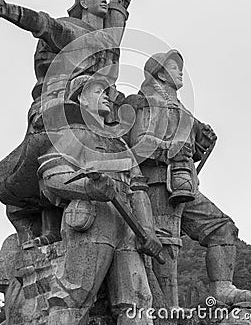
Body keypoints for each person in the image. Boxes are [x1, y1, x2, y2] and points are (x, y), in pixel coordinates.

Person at [0, 0, 147, 247]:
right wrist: (8, 11)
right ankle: (49, 227)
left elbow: (121, 0)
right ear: (82, 3)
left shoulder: (109, 35)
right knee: (55, 156)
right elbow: (42, 23)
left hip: (100, 107)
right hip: (63, 100)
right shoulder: (71, 30)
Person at [127, 49, 251, 306]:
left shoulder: (184, 112)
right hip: (156, 185)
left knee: (223, 228)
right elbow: (138, 146)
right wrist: (169, 149)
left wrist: (202, 141)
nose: (180, 72)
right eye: (174, 67)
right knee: (165, 246)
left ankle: (222, 289)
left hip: (185, 185)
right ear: (161, 73)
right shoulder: (145, 102)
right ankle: (165, 311)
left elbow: (192, 149)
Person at [37, 74, 162, 325]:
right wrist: (89, 188)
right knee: (75, 295)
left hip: (127, 227)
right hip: (92, 220)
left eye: (107, 92)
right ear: (79, 99)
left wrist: (147, 231)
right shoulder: (71, 135)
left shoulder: (119, 144)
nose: (106, 96)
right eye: (97, 91)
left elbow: (138, 187)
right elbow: (51, 176)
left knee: (137, 302)